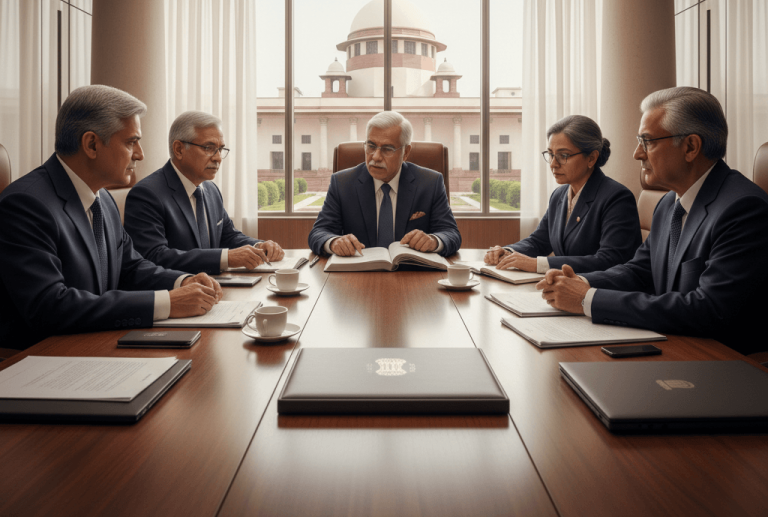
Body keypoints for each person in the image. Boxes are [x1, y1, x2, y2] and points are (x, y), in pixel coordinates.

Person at [538, 87, 768, 354]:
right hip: (676, 346)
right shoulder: (669, 203)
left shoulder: (742, 208)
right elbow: (639, 271)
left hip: (721, 363)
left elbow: (709, 309)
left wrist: (587, 299)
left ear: (691, 146)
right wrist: (581, 283)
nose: (637, 153)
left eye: (647, 141)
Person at [0, 86, 222, 351]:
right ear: (92, 144)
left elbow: (131, 268)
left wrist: (182, 281)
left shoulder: (103, 199)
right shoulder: (26, 204)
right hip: (42, 361)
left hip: (96, 345)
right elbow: (50, 306)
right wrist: (168, 302)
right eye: (131, 142)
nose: (140, 154)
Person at [124, 111, 284, 274]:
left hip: (214, 289)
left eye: (220, 149)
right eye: (209, 148)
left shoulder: (211, 189)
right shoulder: (147, 194)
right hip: (178, 293)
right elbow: (154, 256)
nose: (218, 158)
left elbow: (228, 236)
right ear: (179, 149)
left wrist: (259, 246)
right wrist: (226, 258)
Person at [485, 115, 641, 274]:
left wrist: (536, 264)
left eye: (563, 155)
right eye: (551, 154)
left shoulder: (617, 198)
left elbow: (609, 260)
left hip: (599, 293)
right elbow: (539, 241)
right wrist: (508, 251)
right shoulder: (559, 195)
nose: (553, 164)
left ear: (592, 158)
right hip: (562, 288)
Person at [308, 111, 461, 257]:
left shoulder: (430, 183)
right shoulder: (342, 183)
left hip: (411, 273)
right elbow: (319, 232)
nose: (376, 156)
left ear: (405, 153)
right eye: (371, 146)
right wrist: (334, 242)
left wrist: (433, 241)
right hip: (358, 274)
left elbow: (450, 233)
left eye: (387, 149)